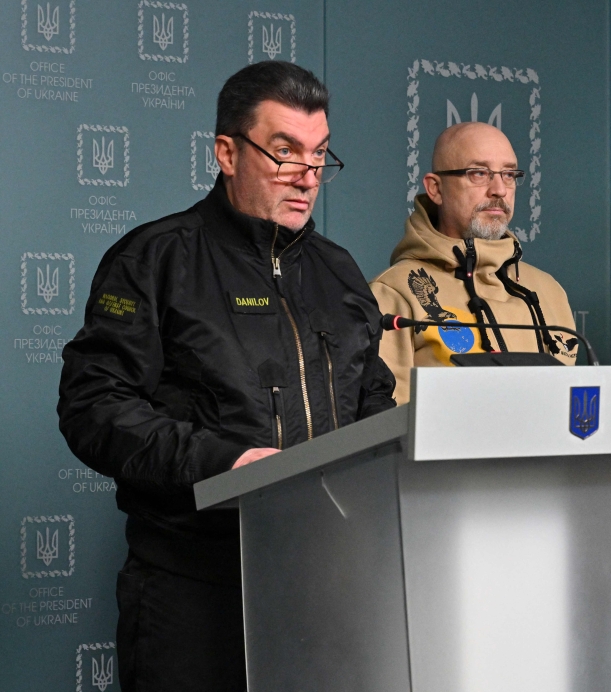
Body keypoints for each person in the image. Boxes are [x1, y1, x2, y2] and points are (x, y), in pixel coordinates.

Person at [57, 62, 395, 692]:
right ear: (227, 153)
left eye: (320, 155)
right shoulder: (155, 259)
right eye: (285, 151)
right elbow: (94, 406)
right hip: (192, 589)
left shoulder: (341, 272)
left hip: (327, 582)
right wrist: (226, 463)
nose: (307, 176)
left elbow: (372, 397)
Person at [370, 122, 577, 403]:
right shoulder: (393, 292)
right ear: (435, 189)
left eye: (509, 174)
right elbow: (388, 427)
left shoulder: (548, 291)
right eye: (479, 173)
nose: (499, 190)